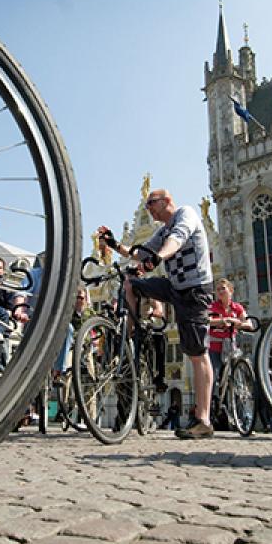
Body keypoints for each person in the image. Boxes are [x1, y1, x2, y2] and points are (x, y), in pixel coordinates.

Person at [97, 188, 214, 439]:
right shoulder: (161, 231)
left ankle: (203, 419)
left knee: (196, 353)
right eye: (147, 204)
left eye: (152, 203)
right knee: (131, 281)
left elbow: (177, 241)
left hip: (194, 290)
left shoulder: (186, 215)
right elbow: (138, 253)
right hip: (174, 287)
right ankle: (130, 332)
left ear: (167, 201)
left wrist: (158, 258)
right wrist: (114, 243)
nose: (148, 207)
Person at [208, 278, 253, 388]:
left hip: (230, 346)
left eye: (223, 288)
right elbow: (206, 320)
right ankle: (213, 401)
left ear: (231, 290)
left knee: (235, 375)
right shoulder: (212, 307)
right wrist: (223, 321)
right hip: (214, 347)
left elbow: (249, 324)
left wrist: (237, 323)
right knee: (213, 377)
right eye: (217, 290)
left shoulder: (237, 308)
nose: (220, 292)